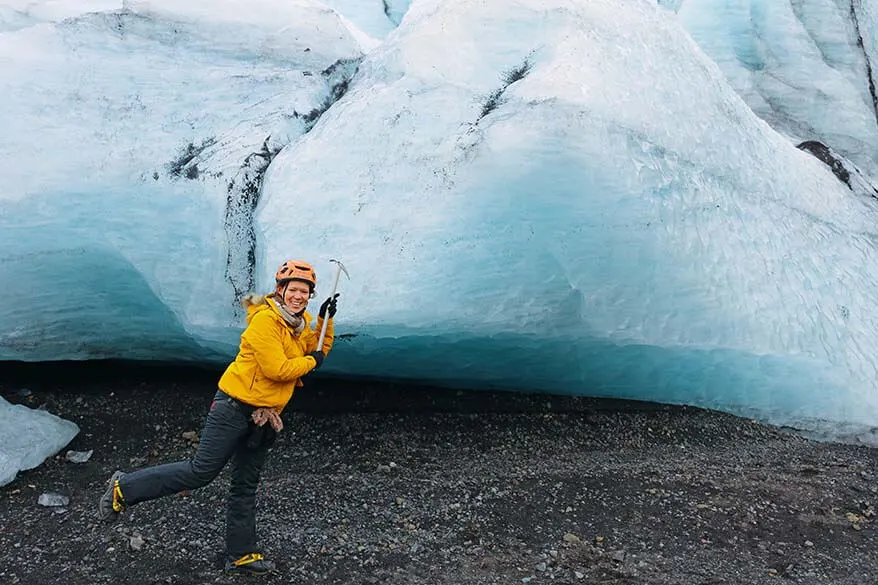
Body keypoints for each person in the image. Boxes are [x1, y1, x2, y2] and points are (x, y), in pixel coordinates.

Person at [98, 259, 338, 576]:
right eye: (293, 289)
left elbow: (316, 347)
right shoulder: (265, 322)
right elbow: (278, 369)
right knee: (200, 472)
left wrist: (324, 321)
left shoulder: (297, 326)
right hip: (232, 407)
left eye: (305, 292)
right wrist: (313, 361)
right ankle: (123, 488)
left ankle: (241, 555)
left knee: (245, 485)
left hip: (263, 417)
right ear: (280, 290)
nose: (299, 296)